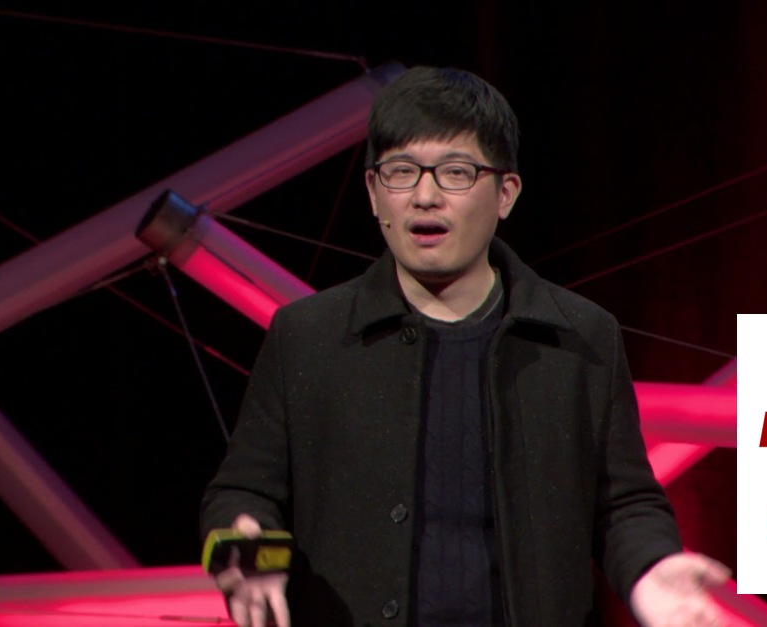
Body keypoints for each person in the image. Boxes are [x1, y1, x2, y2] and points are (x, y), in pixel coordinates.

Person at [200, 65, 729, 626]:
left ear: (506, 193)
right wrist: (246, 546)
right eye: (401, 172)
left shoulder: (580, 335)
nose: (425, 197)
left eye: (456, 173)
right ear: (374, 193)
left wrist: (650, 568)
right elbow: (243, 493)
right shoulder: (306, 336)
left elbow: (623, 502)